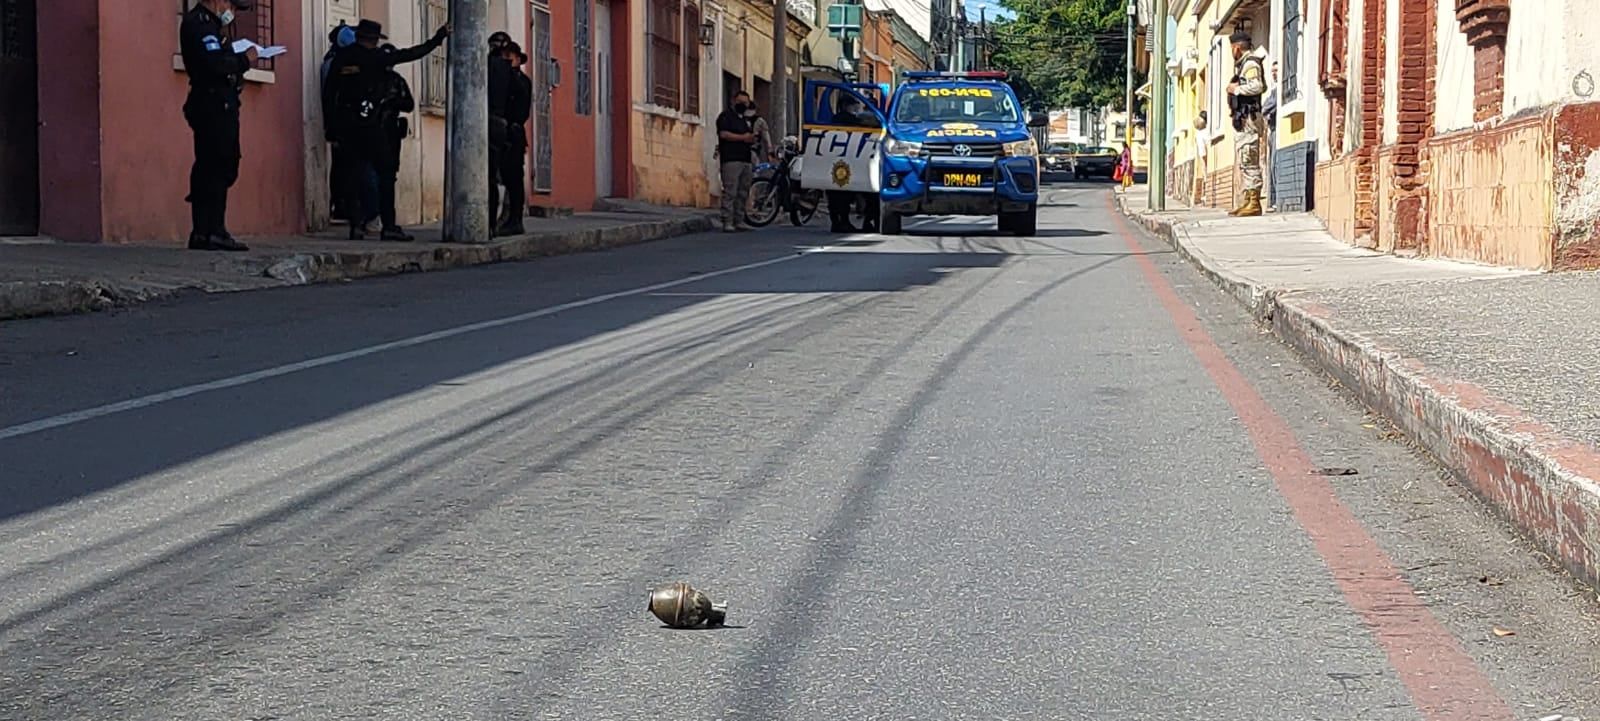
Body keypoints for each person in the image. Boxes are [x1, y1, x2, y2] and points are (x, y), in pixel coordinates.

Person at [327, 19, 451, 240]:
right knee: (386, 175)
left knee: (353, 175)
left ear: (357, 36)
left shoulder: (341, 59)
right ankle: (389, 226)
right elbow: (413, 53)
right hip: (374, 126)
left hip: (348, 125)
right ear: (375, 40)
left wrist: (332, 128)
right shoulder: (379, 59)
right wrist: (439, 36)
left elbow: (329, 94)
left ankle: (356, 225)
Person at [179, 0, 258, 251]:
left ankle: (206, 230)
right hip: (213, 103)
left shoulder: (211, 25)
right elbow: (214, 64)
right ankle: (212, 230)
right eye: (230, 6)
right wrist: (245, 60)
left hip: (217, 102)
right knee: (218, 164)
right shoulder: (200, 25)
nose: (231, 12)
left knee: (214, 165)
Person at [1226, 29, 1267, 217]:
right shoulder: (1243, 64)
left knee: (1249, 158)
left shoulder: (1250, 63)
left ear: (1237, 47)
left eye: (1232, 48)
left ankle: (1254, 202)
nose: (1231, 52)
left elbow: (1258, 86)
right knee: (1244, 158)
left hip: (1250, 118)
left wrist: (1236, 90)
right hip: (1243, 119)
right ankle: (1248, 199)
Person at [826, 94, 879, 233]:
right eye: (853, 105)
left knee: (836, 194)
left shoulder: (834, 119)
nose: (855, 108)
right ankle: (866, 222)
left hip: (836, 162)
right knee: (868, 194)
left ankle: (838, 222)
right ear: (846, 106)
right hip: (855, 162)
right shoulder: (853, 121)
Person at [495, 44, 533, 236]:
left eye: (509, 56)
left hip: (514, 133)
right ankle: (502, 219)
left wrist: (508, 72)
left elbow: (522, 109)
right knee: (498, 177)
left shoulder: (521, 80)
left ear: (517, 58)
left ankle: (515, 219)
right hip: (498, 132)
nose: (506, 59)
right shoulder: (498, 78)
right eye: (502, 56)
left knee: (514, 180)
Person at [486, 32, 516, 235]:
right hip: (499, 124)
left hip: (489, 123)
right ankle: (491, 224)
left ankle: (491, 222)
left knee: (492, 177)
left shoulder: (483, 65)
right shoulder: (508, 72)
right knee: (495, 178)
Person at [715, 90, 758, 232]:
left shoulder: (744, 119)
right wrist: (743, 138)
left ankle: (739, 220)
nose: (743, 105)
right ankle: (727, 221)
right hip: (731, 159)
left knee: (743, 191)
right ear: (734, 101)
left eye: (745, 103)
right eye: (740, 102)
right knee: (730, 191)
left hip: (745, 159)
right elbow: (724, 134)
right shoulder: (726, 117)